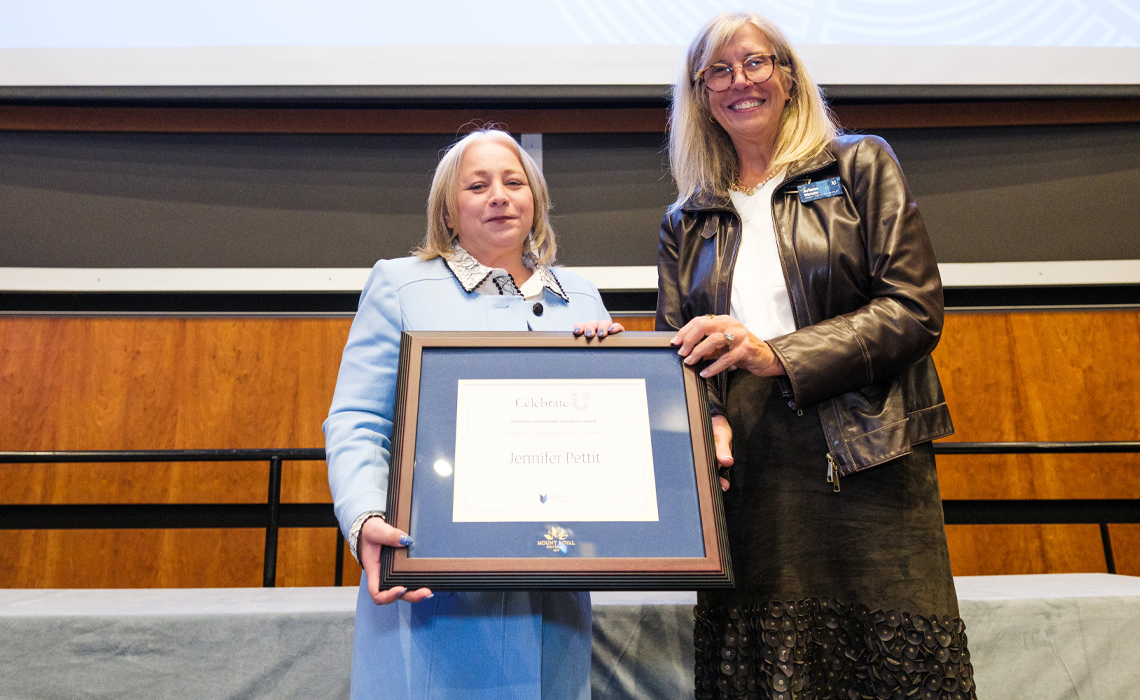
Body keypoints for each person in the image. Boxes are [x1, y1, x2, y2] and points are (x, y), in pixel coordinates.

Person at [656, 11, 976, 700]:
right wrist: (705, 417)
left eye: (754, 62)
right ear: (700, 93)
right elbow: (677, 346)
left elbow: (914, 309)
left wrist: (777, 354)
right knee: (764, 675)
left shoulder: (860, 163)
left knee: (887, 671)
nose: (738, 81)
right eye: (717, 70)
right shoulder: (686, 219)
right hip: (747, 470)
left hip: (867, 454)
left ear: (789, 74)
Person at [325, 128, 622, 700]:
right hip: (434, 581)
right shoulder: (400, 284)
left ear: (535, 200)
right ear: (448, 208)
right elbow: (358, 421)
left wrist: (616, 369)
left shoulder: (582, 298)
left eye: (514, 182)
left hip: (554, 579)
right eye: (478, 185)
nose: (499, 196)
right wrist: (364, 519)